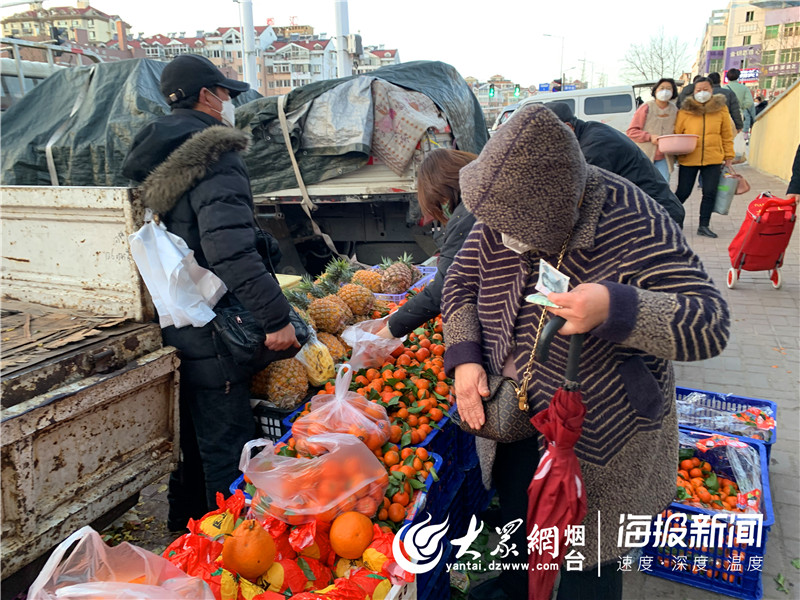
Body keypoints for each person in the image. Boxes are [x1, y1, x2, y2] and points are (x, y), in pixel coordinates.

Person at [442, 103, 730, 600]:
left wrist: (615, 307)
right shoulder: (499, 211)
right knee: (518, 534)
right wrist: (465, 356)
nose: (504, 241)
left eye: (520, 234)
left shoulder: (634, 216)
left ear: (566, 206)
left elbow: (709, 323)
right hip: (516, 420)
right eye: (497, 228)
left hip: (606, 437)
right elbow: (459, 285)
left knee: (587, 566)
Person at [121, 54, 299, 529]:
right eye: (226, 93)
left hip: (178, 316)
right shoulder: (215, 157)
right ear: (206, 96)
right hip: (215, 321)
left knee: (193, 443)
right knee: (228, 444)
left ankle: (186, 534)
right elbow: (231, 252)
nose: (229, 103)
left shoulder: (153, 157)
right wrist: (277, 319)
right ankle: (232, 553)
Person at [377, 149, 477, 339]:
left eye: (439, 202)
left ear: (444, 189)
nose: (442, 209)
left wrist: (388, 331)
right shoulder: (482, 199)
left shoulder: (467, 214)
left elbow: (444, 287)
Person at [547, 101, 685, 227]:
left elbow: (580, 196)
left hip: (657, 216)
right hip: (642, 213)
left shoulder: (595, 146)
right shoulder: (586, 133)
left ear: (567, 127)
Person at [673, 76, 735, 238]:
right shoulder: (685, 110)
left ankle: (704, 225)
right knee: (683, 192)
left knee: (709, 192)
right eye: (698, 90)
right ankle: (673, 219)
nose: (702, 93)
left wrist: (729, 156)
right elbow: (678, 134)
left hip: (713, 158)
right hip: (689, 158)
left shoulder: (721, 109)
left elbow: (726, 134)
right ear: (694, 91)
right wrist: (676, 155)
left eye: (705, 90)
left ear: (712, 90)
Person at [626, 77, 680, 182]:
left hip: (665, 158)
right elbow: (631, 132)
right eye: (662, 88)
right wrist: (649, 137)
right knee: (645, 186)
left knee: (663, 186)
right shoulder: (646, 107)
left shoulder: (675, 110)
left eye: (669, 89)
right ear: (655, 90)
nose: (665, 91)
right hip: (645, 156)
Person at [724, 68, 755, 132]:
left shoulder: (724, 88)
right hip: (739, 114)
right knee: (737, 136)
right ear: (738, 77)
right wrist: (742, 107)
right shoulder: (744, 88)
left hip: (726, 114)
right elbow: (749, 102)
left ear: (727, 77)